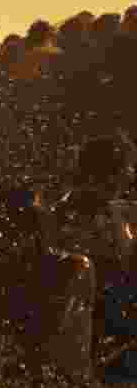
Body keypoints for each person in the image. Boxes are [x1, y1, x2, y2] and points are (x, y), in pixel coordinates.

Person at [0, 185, 98, 388]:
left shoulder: (73, 268)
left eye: (10, 234)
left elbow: (44, 334)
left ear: (32, 232)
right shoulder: (4, 275)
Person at [51, 135, 137, 370]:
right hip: (99, 328)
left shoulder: (113, 209)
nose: (131, 176)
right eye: (128, 168)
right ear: (108, 174)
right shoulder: (69, 217)